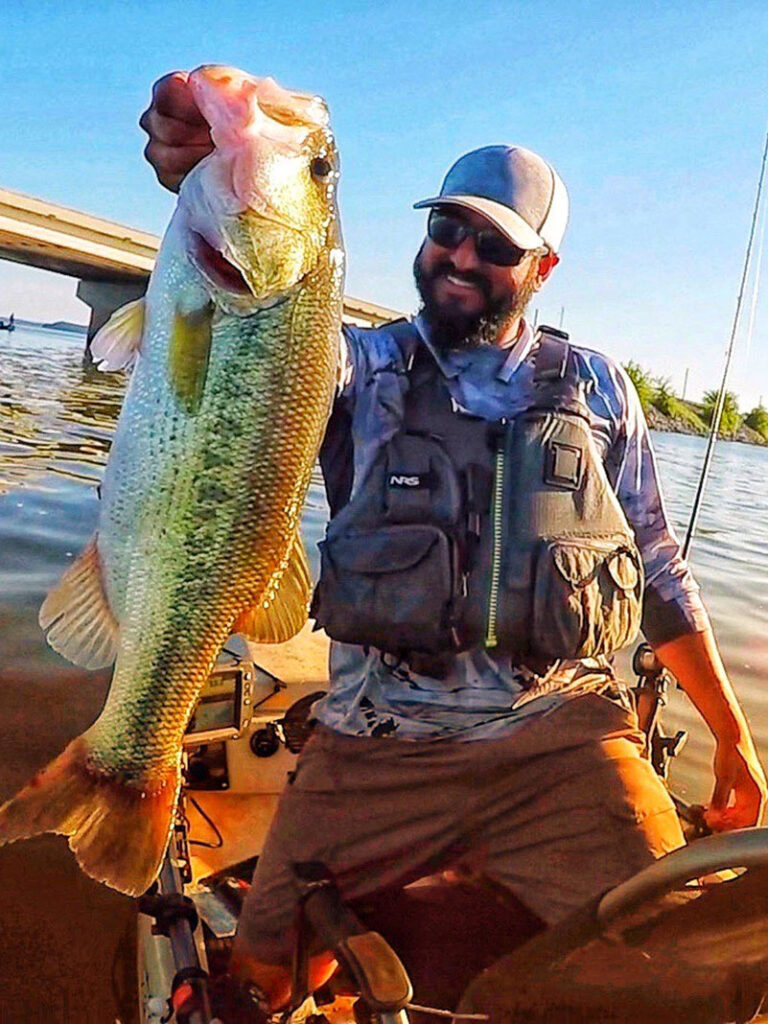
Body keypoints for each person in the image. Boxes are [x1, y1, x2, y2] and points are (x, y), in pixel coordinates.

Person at [141, 72, 767, 1016]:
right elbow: (247, 349)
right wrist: (212, 174)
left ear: (544, 266)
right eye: (446, 230)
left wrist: (733, 739)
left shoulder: (599, 390)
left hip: (564, 745)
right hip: (373, 748)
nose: (460, 256)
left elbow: (662, 579)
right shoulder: (355, 364)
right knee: (258, 980)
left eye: (495, 243)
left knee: (682, 965)